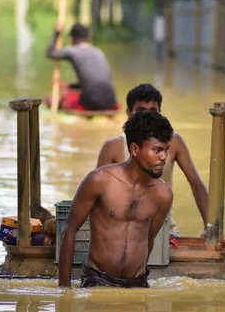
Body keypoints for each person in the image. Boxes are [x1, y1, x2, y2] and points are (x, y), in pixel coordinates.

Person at [58, 111, 174, 288]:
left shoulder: (163, 195)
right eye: (157, 150)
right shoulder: (99, 180)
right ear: (135, 149)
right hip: (98, 280)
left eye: (166, 150)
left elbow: (148, 239)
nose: (164, 157)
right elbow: (70, 231)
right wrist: (64, 291)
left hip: (137, 282)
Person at [97, 84, 209, 234]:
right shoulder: (113, 146)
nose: (147, 116)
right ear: (129, 113)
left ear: (160, 113)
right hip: (123, 231)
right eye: (141, 111)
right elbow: (97, 195)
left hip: (165, 231)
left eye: (152, 111)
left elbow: (196, 183)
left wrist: (211, 228)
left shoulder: (174, 141)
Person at [46, 22, 118, 111]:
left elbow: (50, 53)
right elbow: (93, 82)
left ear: (71, 39)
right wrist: (69, 86)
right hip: (111, 103)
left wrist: (57, 32)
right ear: (88, 39)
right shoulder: (99, 52)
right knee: (71, 91)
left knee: (49, 98)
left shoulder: (71, 51)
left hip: (91, 104)